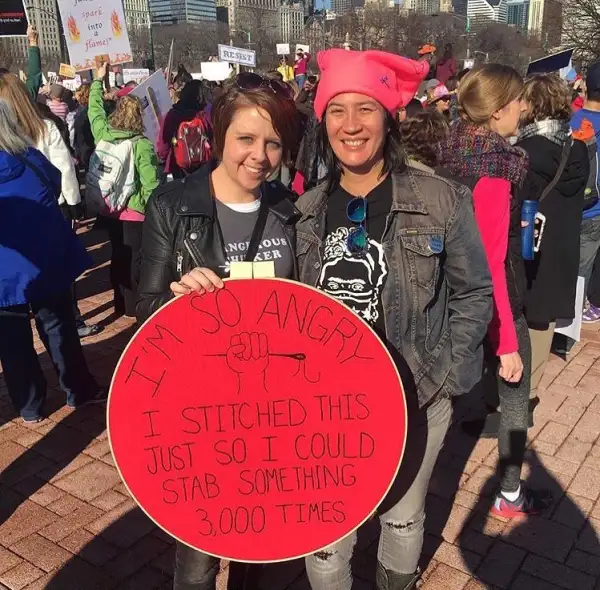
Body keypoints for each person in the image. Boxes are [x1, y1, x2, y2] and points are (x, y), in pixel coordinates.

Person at [295, 48, 492, 590]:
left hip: (417, 398)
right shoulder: (303, 213)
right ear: (322, 121)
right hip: (325, 410)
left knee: (402, 519)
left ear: (389, 117)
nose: (351, 125)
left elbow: (474, 292)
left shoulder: (442, 200)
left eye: (366, 108)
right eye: (337, 110)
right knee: (326, 537)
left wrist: (444, 375)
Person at [136, 71, 300, 589]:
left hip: (271, 406)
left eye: (273, 143)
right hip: (200, 406)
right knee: (199, 549)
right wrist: (176, 300)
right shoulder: (172, 205)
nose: (260, 155)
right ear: (220, 135)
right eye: (246, 138)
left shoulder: (291, 210)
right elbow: (145, 310)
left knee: (259, 538)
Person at [439, 65, 552, 517]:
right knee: (515, 399)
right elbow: (491, 264)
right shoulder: (495, 171)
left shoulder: (450, 153)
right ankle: (509, 493)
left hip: (448, 296)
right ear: (498, 110)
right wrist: (505, 341)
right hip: (492, 302)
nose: (524, 108)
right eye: (519, 100)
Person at [0, 98, 106, 423]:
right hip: (46, 255)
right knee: (58, 326)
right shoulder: (30, 157)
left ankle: (30, 405)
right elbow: (55, 181)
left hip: (5, 269)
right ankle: (77, 389)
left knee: (12, 339)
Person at [516, 75, 588, 403]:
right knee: (543, 320)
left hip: (528, 244)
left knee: (520, 312)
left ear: (531, 105)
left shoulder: (525, 151)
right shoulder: (578, 149)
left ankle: (510, 393)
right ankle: (530, 391)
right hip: (561, 246)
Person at [89, 61, 160, 318]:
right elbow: (151, 183)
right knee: (136, 258)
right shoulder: (142, 144)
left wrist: (98, 80)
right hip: (134, 211)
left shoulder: (103, 133)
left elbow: (94, 111)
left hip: (109, 207)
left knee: (118, 254)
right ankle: (133, 305)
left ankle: (119, 301)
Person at [157, 79, 210, 179]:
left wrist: (163, 158)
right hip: (204, 164)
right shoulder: (205, 114)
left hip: (178, 164)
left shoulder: (173, 114)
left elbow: (164, 142)